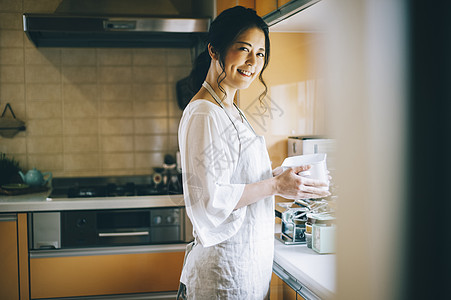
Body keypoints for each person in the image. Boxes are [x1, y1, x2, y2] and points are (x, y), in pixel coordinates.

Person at [177, 6, 330, 299]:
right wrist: (274, 185)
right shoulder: (205, 114)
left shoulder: (229, 109)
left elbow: (239, 180)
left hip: (243, 271)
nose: (252, 62)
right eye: (243, 49)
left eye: (260, 53)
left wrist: (286, 180)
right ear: (214, 49)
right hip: (223, 277)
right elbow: (211, 198)